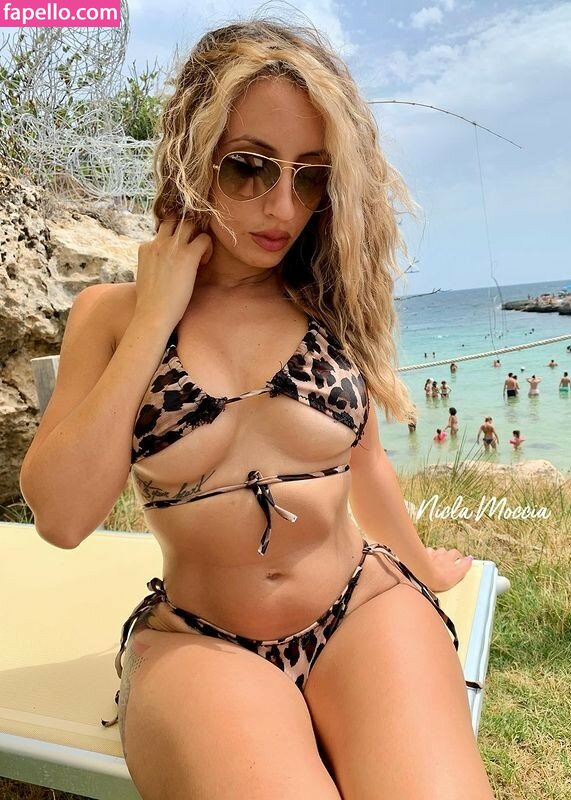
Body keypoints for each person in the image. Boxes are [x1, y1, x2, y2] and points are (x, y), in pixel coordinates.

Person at [19, 18, 492, 799]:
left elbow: (366, 465)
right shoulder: (112, 316)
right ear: (192, 153)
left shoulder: (329, 303)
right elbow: (63, 519)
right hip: (203, 642)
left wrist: (422, 564)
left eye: (310, 177)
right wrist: (155, 316)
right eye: (248, 167)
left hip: (362, 607)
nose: (281, 205)